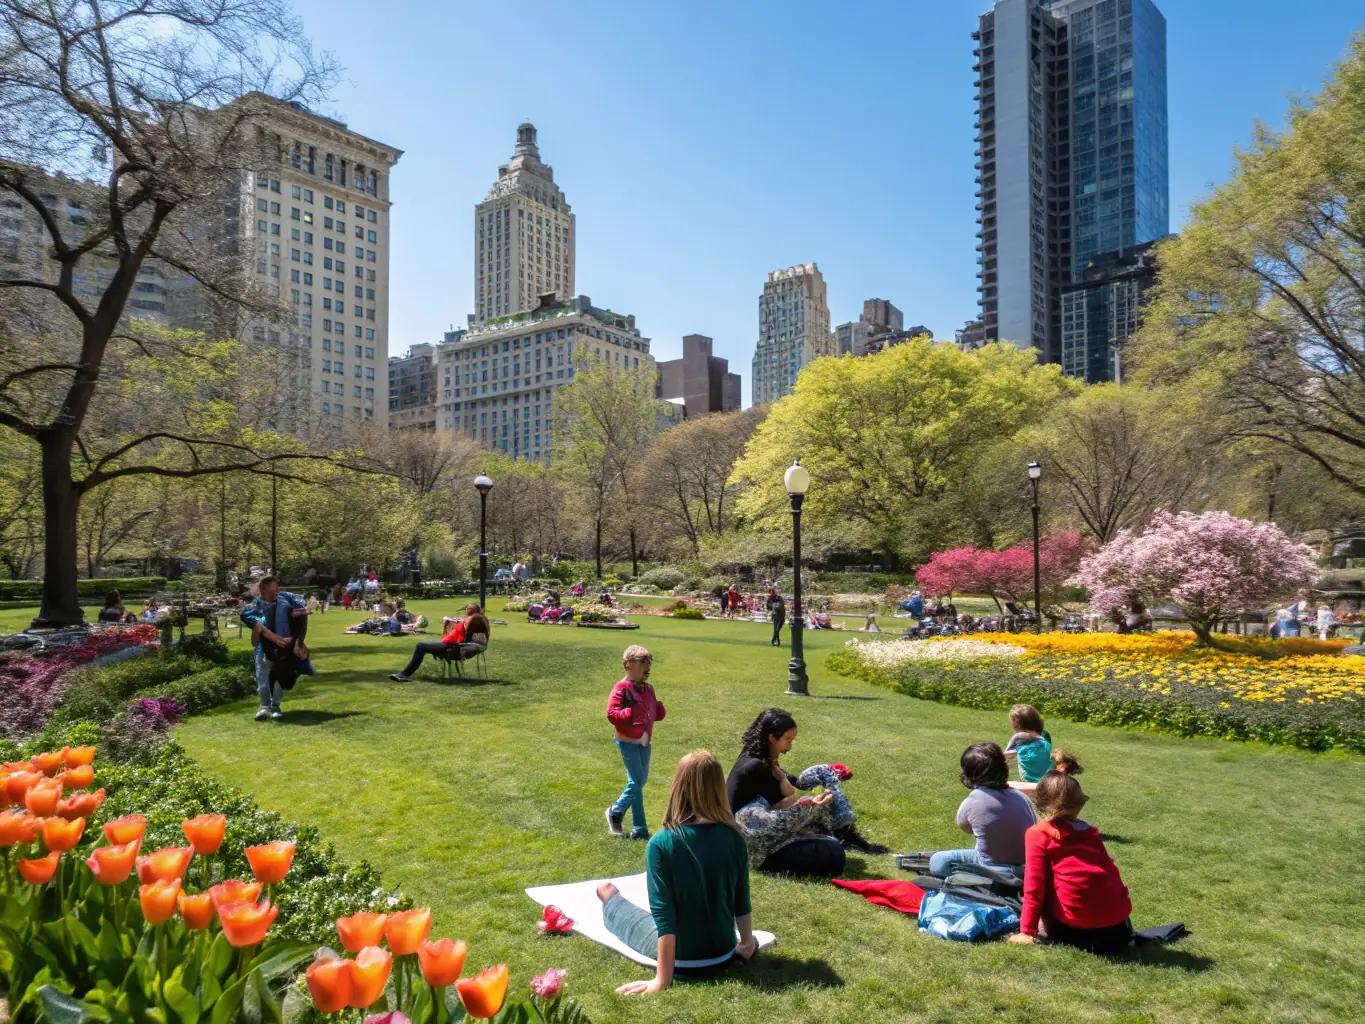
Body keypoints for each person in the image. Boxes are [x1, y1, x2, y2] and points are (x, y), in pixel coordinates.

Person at [599, 751, 757, 994]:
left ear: (679, 786)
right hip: (724, 953)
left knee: (606, 891)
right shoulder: (734, 838)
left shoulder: (662, 843)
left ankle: (607, 895)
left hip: (683, 960)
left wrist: (662, 979)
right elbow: (741, 898)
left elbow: (664, 916)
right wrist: (746, 943)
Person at [1008, 755, 1133, 953]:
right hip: (1118, 927)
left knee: (1045, 885)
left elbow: (1034, 886)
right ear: (1080, 804)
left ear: (1038, 802)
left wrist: (1027, 931)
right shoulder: (1090, 832)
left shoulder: (1038, 833)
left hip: (1075, 929)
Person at [727, 709, 868, 876]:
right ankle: (842, 834)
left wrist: (821, 776)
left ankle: (839, 834)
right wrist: (811, 804)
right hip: (751, 834)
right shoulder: (756, 767)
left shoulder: (757, 760)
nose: (790, 745)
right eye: (787, 739)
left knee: (816, 814)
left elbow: (793, 781)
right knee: (817, 811)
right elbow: (786, 802)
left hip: (749, 831)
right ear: (772, 738)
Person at [927, 742, 1036, 878]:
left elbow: (964, 826)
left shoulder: (973, 801)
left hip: (991, 865)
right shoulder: (1021, 797)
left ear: (970, 774)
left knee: (938, 860)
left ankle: (958, 884)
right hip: (1025, 865)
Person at [606, 645, 667, 840]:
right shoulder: (621, 688)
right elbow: (612, 714)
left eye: (649, 664)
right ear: (627, 664)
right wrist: (630, 710)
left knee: (639, 783)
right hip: (627, 740)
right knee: (637, 781)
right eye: (642, 663)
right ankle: (615, 811)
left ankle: (639, 828)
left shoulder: (648, 689)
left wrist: (658, 710)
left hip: (644, 741)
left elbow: (651, 713)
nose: (647, 668)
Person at [239, 577, 315, 722]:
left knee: (283, 676)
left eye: (277, 587)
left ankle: (275, 706)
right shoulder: (255, 606)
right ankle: (264, 708)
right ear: (262, 590)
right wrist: (273, 638)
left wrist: (299, 642)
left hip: (287, 646)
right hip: (265, 647)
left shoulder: (287, 600)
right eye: (272, 588)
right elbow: (254, 623)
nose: (276, 590)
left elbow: (302, 619)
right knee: (262, 675)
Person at [388, 603, 490, 681]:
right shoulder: (482, 618)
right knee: (428, 646)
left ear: (473, 610)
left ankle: (405, 675)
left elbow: (464, 633)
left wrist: (453, 623)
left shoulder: (474, 618)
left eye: (468, 609)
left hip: (459, 649)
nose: (466, 611)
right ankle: (405, 674)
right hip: (464, 648)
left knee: (421, 646)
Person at [1003, 704, 1053, 787]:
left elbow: (1004, 757)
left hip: (1028, 783)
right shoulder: (1045, 736)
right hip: (1047, 782)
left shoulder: (1018, 737)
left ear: (1015, 724)